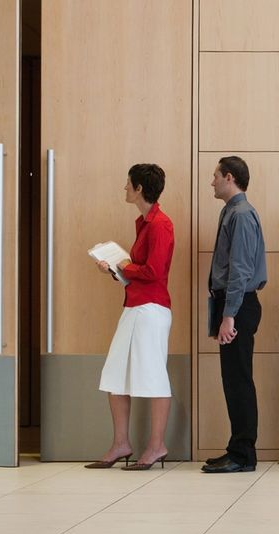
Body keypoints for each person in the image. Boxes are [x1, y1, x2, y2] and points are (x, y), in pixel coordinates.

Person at [87, 164, 174, 471]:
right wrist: (116, 269)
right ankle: (121, 443)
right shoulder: (144, 223)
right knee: (115, 374)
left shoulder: (161, 224)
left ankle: (157, 446)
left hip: (150, 309)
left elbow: (153, 272)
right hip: (135, 306)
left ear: (139, 189)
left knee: (153, 375)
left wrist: (124, 264)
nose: (124, 188)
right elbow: (138, 273)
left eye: (127, 184)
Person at [202, 156, 267, 474]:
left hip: (238, 305)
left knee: (238, 380)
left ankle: (243, 454)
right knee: (233, 379)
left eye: (215, 176)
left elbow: (240, 269)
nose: (211, 181)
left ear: (229, 177)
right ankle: (237, 448)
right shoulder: (232, 211)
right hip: (232, 304)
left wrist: (229, 316)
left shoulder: (240, 214)